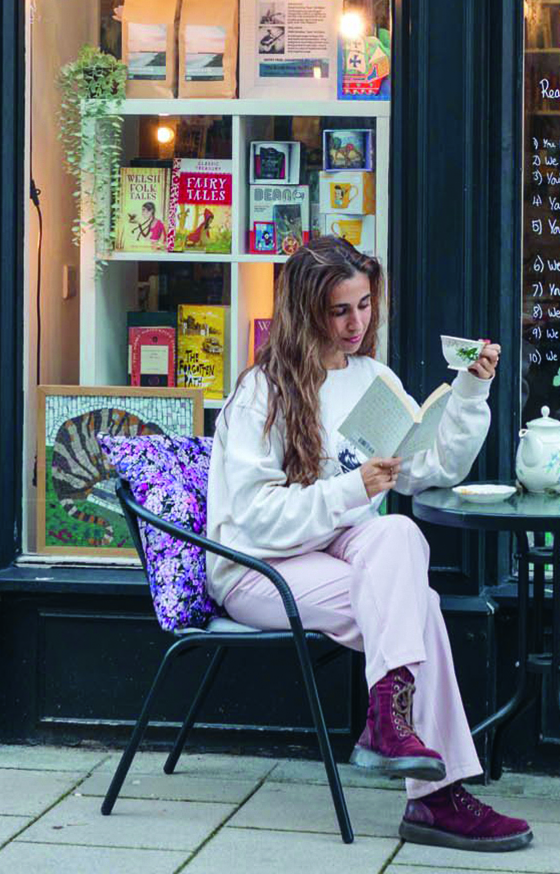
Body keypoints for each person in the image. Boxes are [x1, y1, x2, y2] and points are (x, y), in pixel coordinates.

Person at [207, 236, 533, 853]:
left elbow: (434, 467)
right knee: (419, 606)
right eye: (340, 311)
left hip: (334, 549)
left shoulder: (373, 379)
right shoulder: (263, 392)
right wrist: (349, 489)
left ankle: (391, 724)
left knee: (400, 531)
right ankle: (436, 797)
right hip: (258, 569)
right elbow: (253, 521)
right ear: (307, 313)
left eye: (364, 305)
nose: (357, 323)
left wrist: (468, 392)